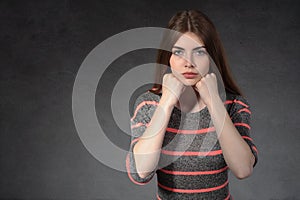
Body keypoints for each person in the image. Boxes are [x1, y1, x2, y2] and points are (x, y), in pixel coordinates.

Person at [126, 9, 258, 200]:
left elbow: (243, 169)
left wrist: (214, 102)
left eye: (199, 52)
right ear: (168, 57)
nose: (189, 63)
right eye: (179, 52)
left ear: (212, 57)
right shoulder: (148, 104)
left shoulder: (233, 104)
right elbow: (141, 173)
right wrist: (166, 103)